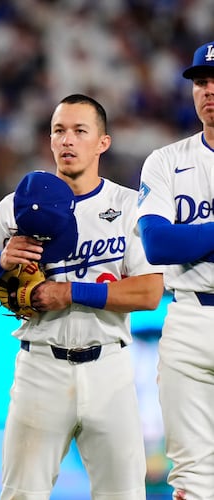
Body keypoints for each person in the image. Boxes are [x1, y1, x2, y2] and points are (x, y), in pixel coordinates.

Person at [0, 93, 164, 499]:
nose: (67, 140)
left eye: (79, 131)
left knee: (125, 494)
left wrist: (69, 291)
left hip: (110, 367)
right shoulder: (15, 207)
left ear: (103, 142)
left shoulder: (127, 206)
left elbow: (149, 292)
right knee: (22, 493)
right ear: (50, 140)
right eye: (58, 131)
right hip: (40, 367)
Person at [137, 40, 214, 500]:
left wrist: (199, 239)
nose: (208, 90)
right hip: (189, 318)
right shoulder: (166, 160)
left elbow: (180, 239)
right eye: (202, 82)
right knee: (191, 476)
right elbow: (160, 243)